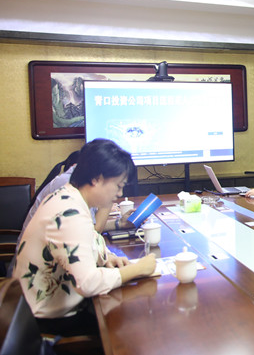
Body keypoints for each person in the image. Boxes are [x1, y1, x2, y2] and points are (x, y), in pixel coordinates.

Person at [13, 139, 156, 336]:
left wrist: (107, 257)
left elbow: (84, 240)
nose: (120, 193)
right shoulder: (69, 212)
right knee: (134, 326)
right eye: (118, 185)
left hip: (43, 308)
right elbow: (87, 283)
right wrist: (136, 269)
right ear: (96, 179)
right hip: (46, 320)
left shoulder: (69, 196)